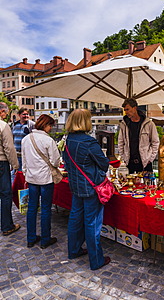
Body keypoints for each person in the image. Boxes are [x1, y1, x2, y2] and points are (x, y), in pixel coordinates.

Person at [63, 109, 110, 270]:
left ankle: (74, 250)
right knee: (92, 223)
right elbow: (104, 163)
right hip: (91, 187)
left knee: (75, 219)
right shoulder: (89, 142)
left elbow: (67, 163)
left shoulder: (69, 140)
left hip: (76, 186)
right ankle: (96, 260)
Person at [22, 114, 60, 248]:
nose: (51, 128)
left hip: (32, 178)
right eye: (50, 126)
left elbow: (24, 161)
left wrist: (27, 174)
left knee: (31, 208)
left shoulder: (26, 139)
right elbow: (55, 161)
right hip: (45, 179)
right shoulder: (48, 141)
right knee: (45, 209)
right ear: (45, 125)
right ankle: (45, 239)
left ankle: (31, 238)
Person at [118, 98, 159, 174]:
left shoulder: (149, 124)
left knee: (147, 185)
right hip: (129, 162)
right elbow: (120, 142)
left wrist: (150, 159)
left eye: (128, 109)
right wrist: (123, 157)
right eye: (125, 110)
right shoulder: (124, 124)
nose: (126, 112)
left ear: (135, 108)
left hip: (145, 162)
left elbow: (155, 142)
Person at [0, 102, 21, 236]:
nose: (6, 116)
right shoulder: (3, 126)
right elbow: (9, 148)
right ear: (1, 112)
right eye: (5, 113)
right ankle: (7, 226)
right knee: (6, 194)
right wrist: (15, 165)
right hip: (1, 163)